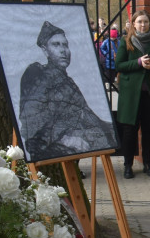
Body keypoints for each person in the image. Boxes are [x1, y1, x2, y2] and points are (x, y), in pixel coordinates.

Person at [18, 20, 116, 162]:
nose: (63, 50)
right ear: (45, 49)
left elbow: (86, 115)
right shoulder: (37, 74)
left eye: (65, 45)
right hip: (51, 149)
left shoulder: (67, 81)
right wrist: (66, 139)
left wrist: (110, 131)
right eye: (56, 45)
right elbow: (33, 121)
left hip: (77, 142)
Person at [116, 10, 150, 179]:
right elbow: (119, 65)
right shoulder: (126, 42)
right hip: (131, 95)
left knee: (149, 130)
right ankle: (127, 165)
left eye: (146, 22)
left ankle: (148, 163)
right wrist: (138, 62)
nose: (143, 25)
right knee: (129, 131)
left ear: (149, 24)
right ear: (133, 24)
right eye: (139, 22)